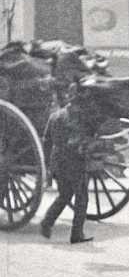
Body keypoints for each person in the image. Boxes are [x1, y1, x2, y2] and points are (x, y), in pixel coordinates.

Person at [40, 93, 97, 243]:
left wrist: (48, 164)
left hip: (58, 161)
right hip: (74, 161)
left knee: (64, 195)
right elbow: (86, 137)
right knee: (81, 197)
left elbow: (46, 140)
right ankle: (76, 234)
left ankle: (47, 222)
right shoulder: (80, 117)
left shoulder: (55, 116)